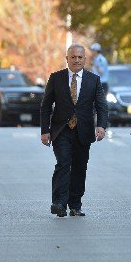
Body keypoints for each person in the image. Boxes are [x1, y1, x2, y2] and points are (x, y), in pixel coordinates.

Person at [40, 44, 108, 217]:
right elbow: (46, 106)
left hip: (83, 131)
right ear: (67, 59)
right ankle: (59, 203)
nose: (77, 60)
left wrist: (101, 125)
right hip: (61, 130)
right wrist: (45, 130)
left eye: (80, 57)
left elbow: (101, 105)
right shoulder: (56, 78)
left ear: (85, 59)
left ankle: (75, 204)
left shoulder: (94, 80)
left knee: (79, 167)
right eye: (73, 57)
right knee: (63, 163)